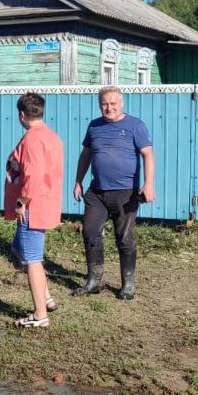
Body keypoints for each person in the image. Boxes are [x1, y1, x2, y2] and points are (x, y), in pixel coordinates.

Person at [72, 87, 155, 300]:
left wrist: (149, 184)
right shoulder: (94, 126)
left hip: (125, 193)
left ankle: (128, 284)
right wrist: (78, 181)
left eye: (112, 104)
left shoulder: (135, 125)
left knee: (124, 238)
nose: (108, 108)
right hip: (97, 192)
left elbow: (147, 155)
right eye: (104, 104)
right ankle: (95, 280)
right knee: (90, 232)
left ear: (122, 103)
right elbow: (86, 155)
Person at [3, 92, 64, 328]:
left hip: (32, 207)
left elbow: (34, 174)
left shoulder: (31, 139)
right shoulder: (51, 136)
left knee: (33, 259)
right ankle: (46, 298)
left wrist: (21, 202)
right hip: (44, 203)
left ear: (21, 115)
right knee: (19, 249)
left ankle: (40, 315)